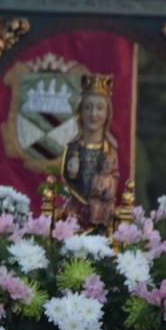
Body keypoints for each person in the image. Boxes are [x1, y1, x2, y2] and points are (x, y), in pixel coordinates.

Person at [52, 73, 121, 230]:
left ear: (107, 114)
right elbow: (67, 180)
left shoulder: (109, 150)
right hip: (74, 215)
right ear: (80, 112)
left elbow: (114, 179)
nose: (94, 114)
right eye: (88, 107)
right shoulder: (72, 148)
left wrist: (107, 186)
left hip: (101, 215)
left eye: (100, 108)